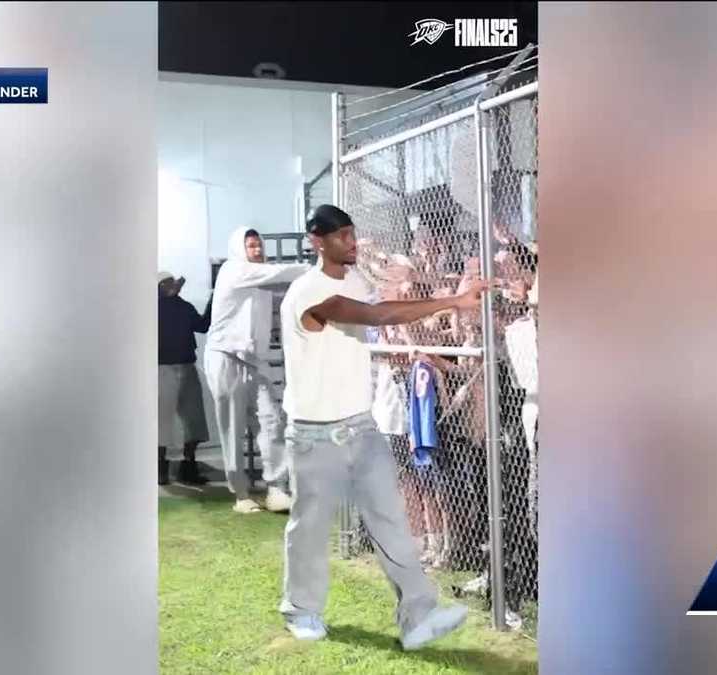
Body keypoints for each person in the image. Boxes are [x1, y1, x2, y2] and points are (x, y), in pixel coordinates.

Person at [277, 204, 489, 650]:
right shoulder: (308, 292)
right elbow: (377, 316)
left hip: (361, 424)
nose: (352, 242)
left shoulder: (355, 280)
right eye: (342, 237)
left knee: (390, 520)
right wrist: (452, 299)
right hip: (315, 434)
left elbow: (386, 302)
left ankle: (418, 618)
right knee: (310, 526)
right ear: (319, 241)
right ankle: (302, 610)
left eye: (354, 234)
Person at [204, 227, 310, 514]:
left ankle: (276, 488)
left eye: (259, 246)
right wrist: (316, 266)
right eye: (252, 246)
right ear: (240, 249)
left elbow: (285, 293)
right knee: (233, 427)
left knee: (271, 421)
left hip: (254, 361)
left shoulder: (260, 281)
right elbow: (279, 276)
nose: (258, 251)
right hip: (225, 357)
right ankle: (241, 494)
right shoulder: (233, 270)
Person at [158, 271, 213, 486]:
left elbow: (202, 325)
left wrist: (213, 300)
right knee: (161, 421)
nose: (173, 285)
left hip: (186, 367)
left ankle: (188, 466)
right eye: (166, 283)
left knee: (194, 420)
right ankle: (160, 468)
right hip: (161, 369)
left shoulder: (184, 306)